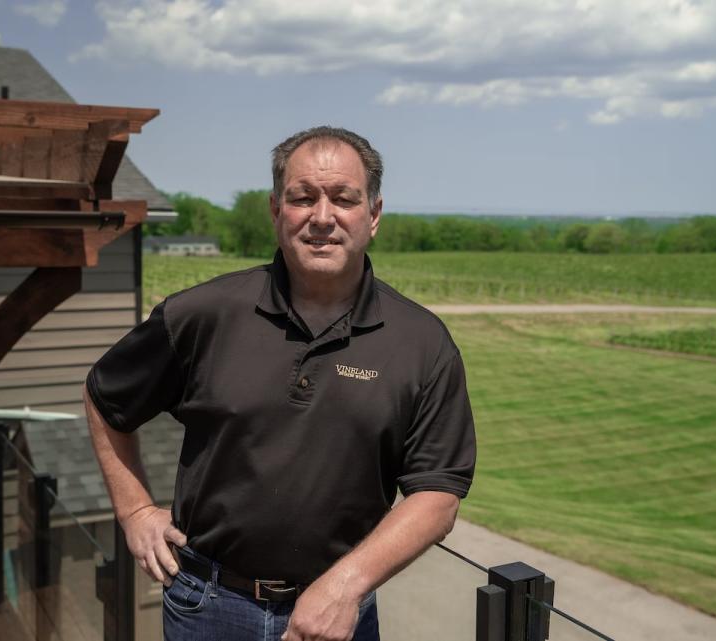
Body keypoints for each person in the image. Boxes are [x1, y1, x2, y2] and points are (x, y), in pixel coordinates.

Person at [84, 126, 476, 641]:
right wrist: (134, 510)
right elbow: (105, 396)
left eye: (343, 199)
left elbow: (437, 494)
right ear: (275, 211)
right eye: (302, 198)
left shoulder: (422, 343)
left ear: (373, 215)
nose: (321, 217)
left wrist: (344, 588)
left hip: (339, 615)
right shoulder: (203, 314)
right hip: (209, 606)